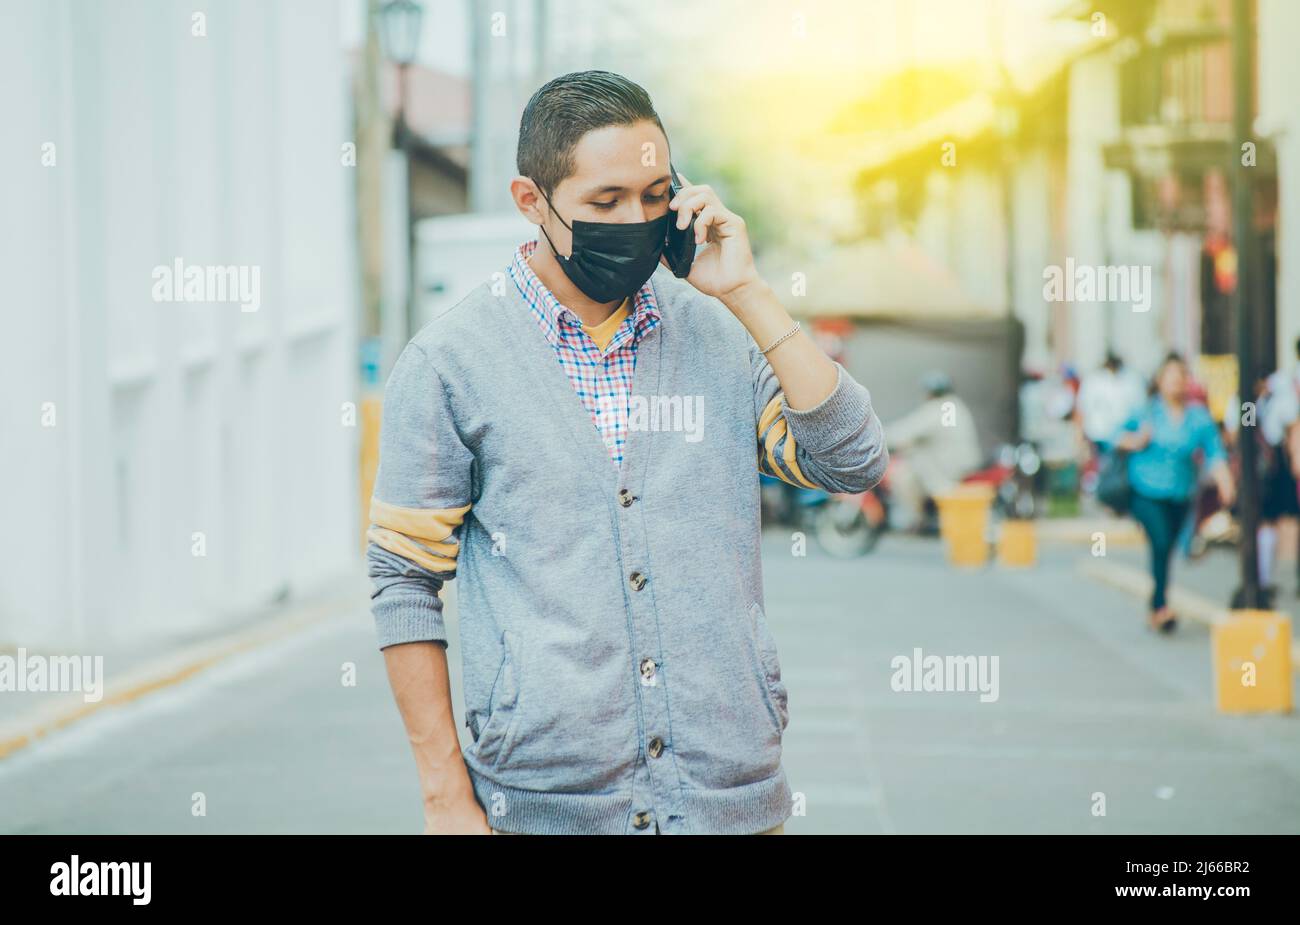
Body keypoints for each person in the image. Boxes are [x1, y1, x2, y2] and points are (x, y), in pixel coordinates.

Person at [365, 71, 888, 835]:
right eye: (604, 203)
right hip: (544, 809)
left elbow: (853, 460)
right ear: (530, 201)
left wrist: (746, 294)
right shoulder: (451, 362)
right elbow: (403, 576)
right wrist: (444, 794)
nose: (635, 219)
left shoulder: (716, 330)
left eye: (653, 195)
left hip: (730, 802)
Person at [1113, 352, 1235, 633]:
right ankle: (1160, 607)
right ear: (1160, 380)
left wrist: (1225, 480)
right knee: (1161, 541)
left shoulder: (1198, 417)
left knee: (1168, 547)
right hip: (1145, 491)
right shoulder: (1146, 412)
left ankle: (1158, 602)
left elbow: (1214, 451)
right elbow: (1112, 436)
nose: (1177, 382)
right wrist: (1134, 441)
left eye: (1182, 376)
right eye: (1171, 376)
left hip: (1181, 494)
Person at [884, 371, 982, 531]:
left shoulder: (938, 409)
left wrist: (879, 436)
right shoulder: (954, 406)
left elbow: (904, 431)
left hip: (946, 469)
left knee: (903, 475)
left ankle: (915, 520)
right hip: (958, 465)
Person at [1077, 351, 1144, 455]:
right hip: (1101, 444)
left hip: (1131, 442)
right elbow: (1083, 411)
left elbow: (1141, 412)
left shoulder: (1132, 378)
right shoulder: (1093, 380)